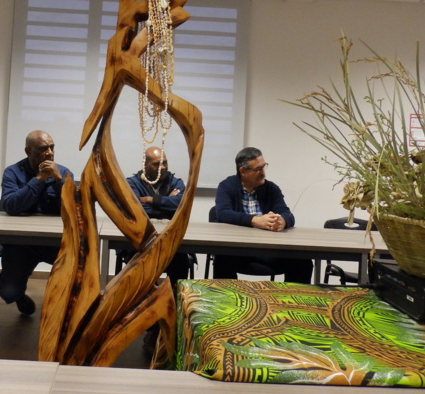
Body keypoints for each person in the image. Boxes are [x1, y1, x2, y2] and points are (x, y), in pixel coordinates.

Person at [126, 146, 194, 352]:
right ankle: (151, 326)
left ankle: (172, 323)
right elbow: (135, 209)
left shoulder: (176, 182)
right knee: (144, 273)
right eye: (157, 163)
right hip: (142, 243)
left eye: (165, 163)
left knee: (180, 265)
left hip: (171, 243)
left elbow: (182, 203)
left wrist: (151, 200)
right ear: (145, 165)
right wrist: (165, 203)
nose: (162, 167)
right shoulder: (132, 183)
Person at [0, 130, 73, 315]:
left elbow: (77, 207)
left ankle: (63, 309)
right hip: (21, 243)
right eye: (42, 149)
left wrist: (58, 181)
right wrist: (39, 179)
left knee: (76, 277)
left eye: (52, 147)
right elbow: (11, 206)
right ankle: (19, 296)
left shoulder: (63, 172)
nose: (49, 152)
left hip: (56, 242)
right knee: (8, 292)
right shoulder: (12, 173)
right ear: (28, 150)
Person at [213, 146, 312, 283]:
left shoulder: (271, 188)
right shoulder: (227, 186)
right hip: (238, 250)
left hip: (269, 249)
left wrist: (282, 221)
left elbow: (287, 213)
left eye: (264, 167)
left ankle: (292, 303)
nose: (263, 172)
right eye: (257, 169)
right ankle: (228, 302)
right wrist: (255, 220)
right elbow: (223, 214)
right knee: (222, 258)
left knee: (303, 261)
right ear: (242, 171)